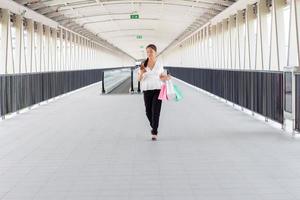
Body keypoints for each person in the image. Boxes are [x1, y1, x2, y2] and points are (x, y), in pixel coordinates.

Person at [137, 44, 170, 141]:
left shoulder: (159, 64)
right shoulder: (143, 64)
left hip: (158, 89)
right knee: (148, 112)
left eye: (151, 51)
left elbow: (161, 76)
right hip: (147, 89)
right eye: (147, 52)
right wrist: (142, 73)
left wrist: (167, 78)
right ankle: (153, 125)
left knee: (156, 111)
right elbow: (139, 79)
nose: (149, 53)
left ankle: (154, 131)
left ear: (156, 52)